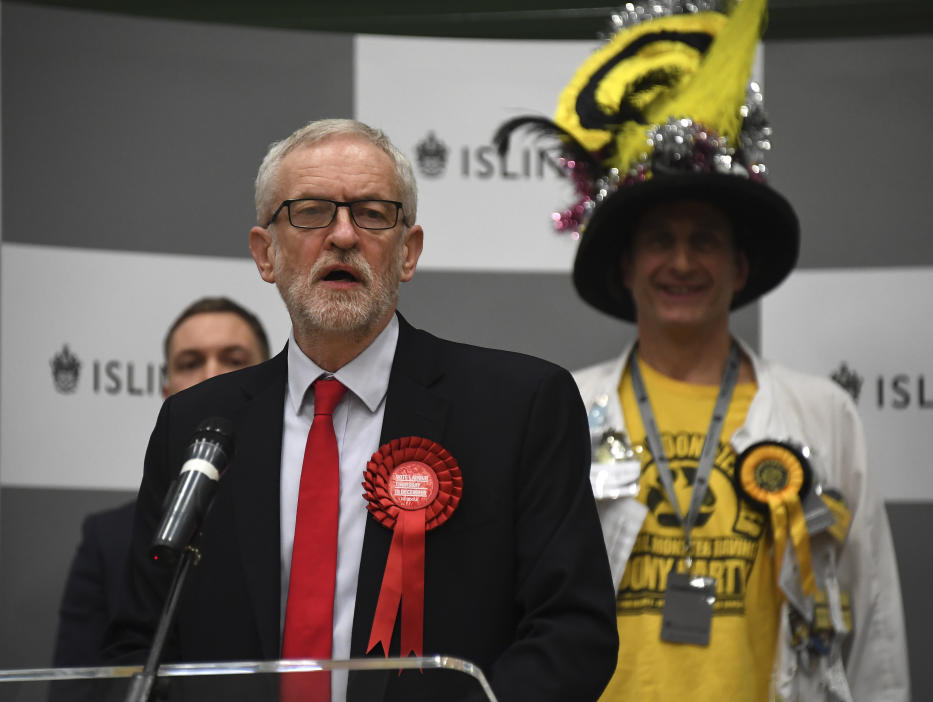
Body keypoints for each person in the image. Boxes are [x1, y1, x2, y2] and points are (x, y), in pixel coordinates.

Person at [103, 119, 618, 702]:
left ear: (408, 252)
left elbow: (574, 634)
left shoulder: (520, 405)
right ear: (265, 253)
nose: (343, 235)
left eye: (373, 213)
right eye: (311, 212)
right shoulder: (195, 424)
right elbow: (138, 645)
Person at [496, 0, 908, 700]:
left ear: (741, 267)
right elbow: (518, 614)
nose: (681, 262)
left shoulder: (821, 413)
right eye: (660, 239)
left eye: (706, 239)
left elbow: (874, 624)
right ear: (626, 266)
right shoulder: (560, 408)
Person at [53, 297, 271, 667]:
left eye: (235, 361)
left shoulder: (296, 521)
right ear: (167, 392)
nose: (211, 375)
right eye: (190, 363)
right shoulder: (107, 540)